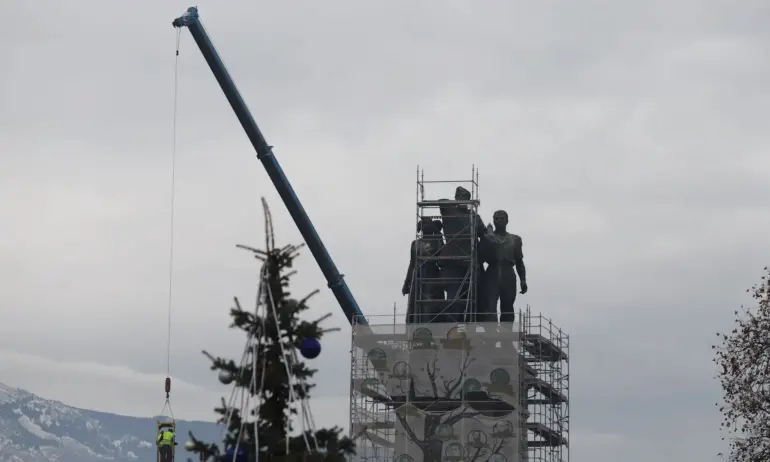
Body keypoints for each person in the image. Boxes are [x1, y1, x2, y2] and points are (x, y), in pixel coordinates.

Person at [479, 210, 527, 324]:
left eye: (501, 218)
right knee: (490, 307)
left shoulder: (515, 240)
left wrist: (523, 279)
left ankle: (506, 333)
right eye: (496, 219)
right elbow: (479, 258)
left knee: (508, 307)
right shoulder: (487, 238)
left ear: (507, 221)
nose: (498, 221)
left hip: (508, 273)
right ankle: (491, 332)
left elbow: (519, 261)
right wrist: (487, 238)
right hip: (492, 272)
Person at [402, 218, 445, 323]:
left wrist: (439, 235)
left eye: (427, 224)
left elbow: (443, 257)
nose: (425, 226)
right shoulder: (415, 243)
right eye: (423, 224)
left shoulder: (437, 241)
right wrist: (406, 282)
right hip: (417, 276)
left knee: (430, 307)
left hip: (432, 275)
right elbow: (412, 263)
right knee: (415, 306)